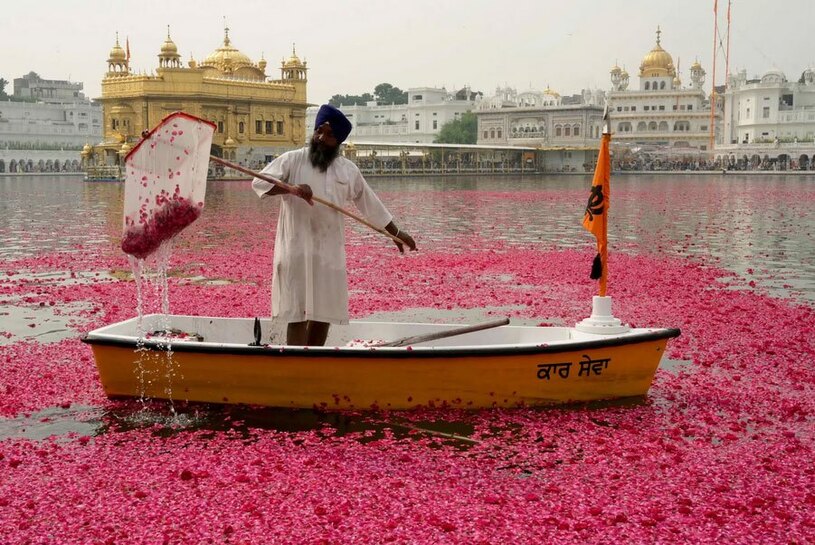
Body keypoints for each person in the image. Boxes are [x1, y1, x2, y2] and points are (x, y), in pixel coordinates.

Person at [252, 104, 417, 346]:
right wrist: (291, 189)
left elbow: (370, 204)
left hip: (328, 253)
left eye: (329, 135)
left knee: (323, 311)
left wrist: (396, 233)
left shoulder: (348, 171)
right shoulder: (292, 160)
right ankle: (297, 365)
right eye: (319, 130)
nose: (321, 137)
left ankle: (314, 362)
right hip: (295, 249)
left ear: (338, 141)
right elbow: (259, 183)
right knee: (297, 311)